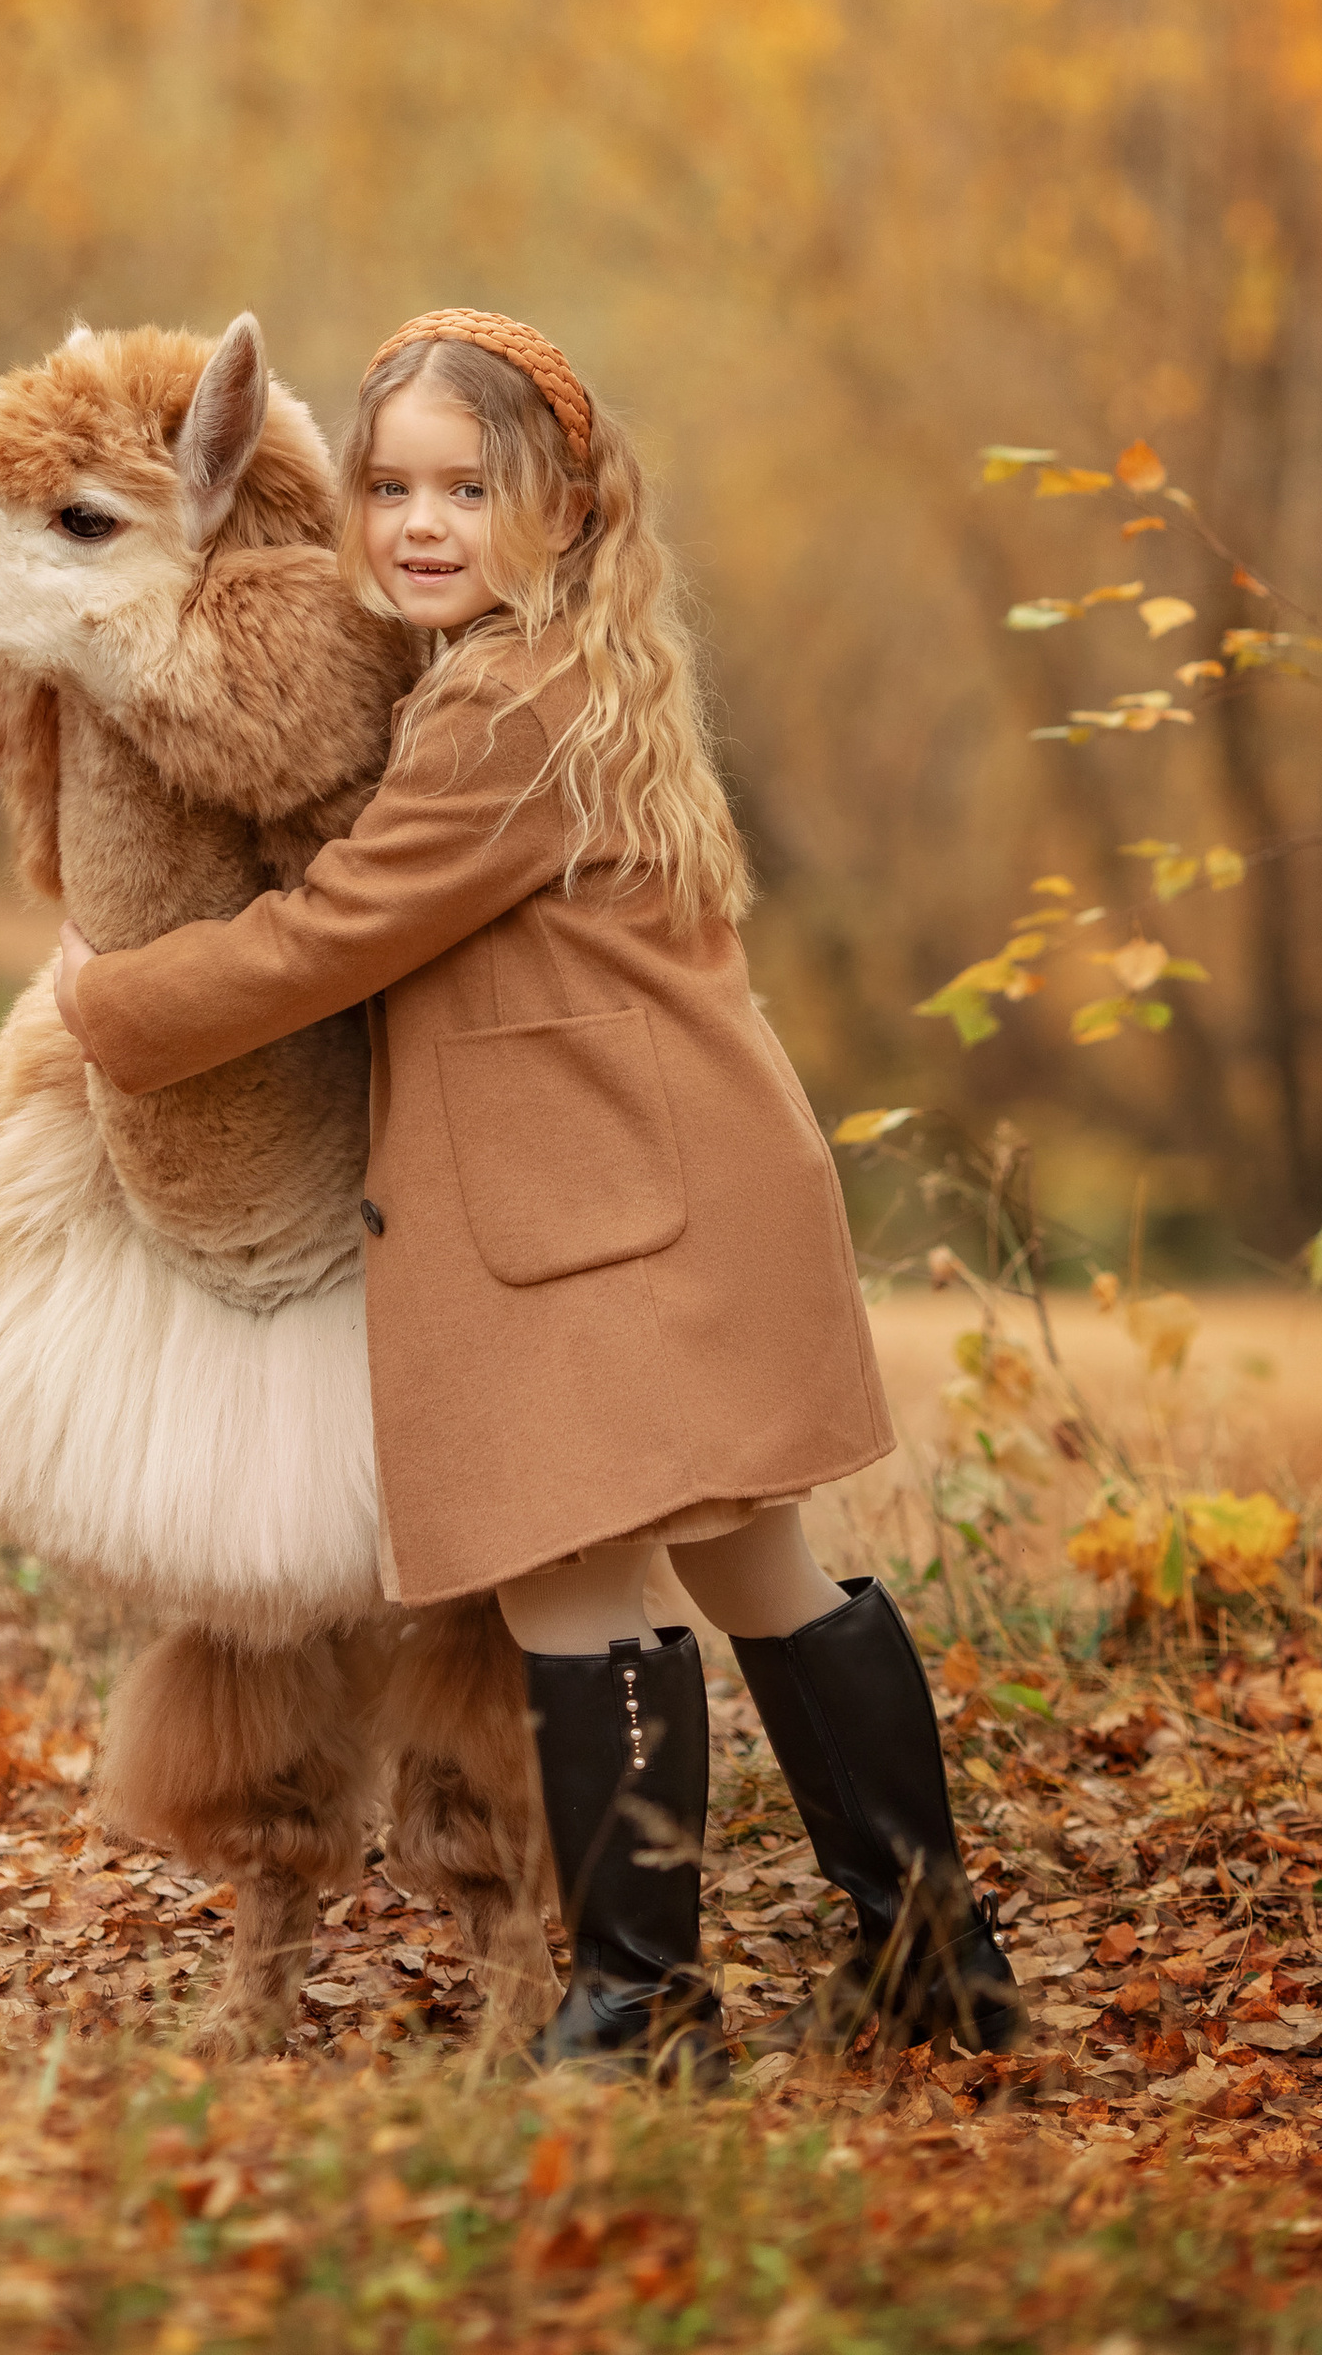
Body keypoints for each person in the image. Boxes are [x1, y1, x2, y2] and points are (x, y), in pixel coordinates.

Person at [55, 307, 1023, 2080]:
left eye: (468, 489)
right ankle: (929, 1956)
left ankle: (646, 2005)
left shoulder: (502, 711)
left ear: (564, 507)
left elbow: (337, 933)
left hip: (603, 1231)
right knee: (764, 1575)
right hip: (670, 1194)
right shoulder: (551, 673)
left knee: (586, 1595)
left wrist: (106, 1003)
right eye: (391, 488)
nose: (421, 523)